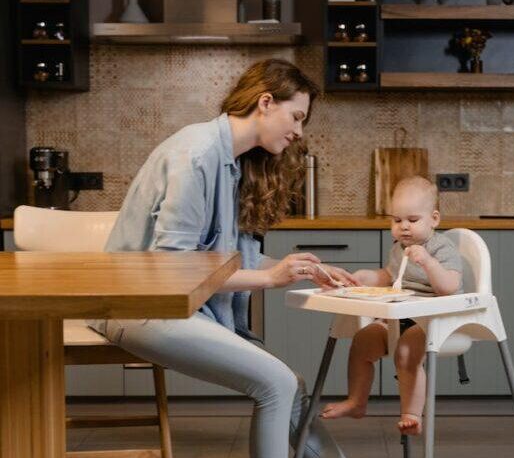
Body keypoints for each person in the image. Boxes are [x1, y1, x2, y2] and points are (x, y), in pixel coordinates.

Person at [89, 59, 360, 458]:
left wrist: (301, 269)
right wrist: (270, 279)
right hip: (138, 307)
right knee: (277, 383)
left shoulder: (230, 162)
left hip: (175, 307)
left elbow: (223, 261)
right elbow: (174, 270)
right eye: (297, 116)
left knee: (290, 383)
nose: (299, 132)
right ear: (266, 102)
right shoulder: (197, 155)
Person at [320, 176, 463, 435]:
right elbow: (389, 277)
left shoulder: (442, 247)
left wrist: (428, 262)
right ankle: (356, 402)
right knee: (363, 340)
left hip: (434, 318)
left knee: (406, 353)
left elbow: (450, 286)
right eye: (397, 221)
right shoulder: (399, 248)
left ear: (434, 219)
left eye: (412, 220)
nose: (404, 227)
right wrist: (364, 278)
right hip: (400, 315)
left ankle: (411, 415)